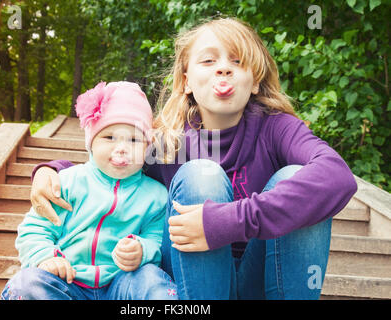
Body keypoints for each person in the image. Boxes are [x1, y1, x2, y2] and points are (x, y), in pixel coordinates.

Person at [29, 18, 357, 300]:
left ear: (255, 81)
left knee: (297, 178)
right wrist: (51, 169)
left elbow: (337, 177)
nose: (224, 68)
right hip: (192, 283)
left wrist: (229, 220)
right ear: (186, 81)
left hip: (262, 275)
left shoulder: (276, 129)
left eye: (238, 62)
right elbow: (110, 164)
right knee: (201, 173)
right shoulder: (170, 142)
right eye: (208, 61)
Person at [1, 81, 178, 300]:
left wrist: (143, 250)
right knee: (26, 284)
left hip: (122, 284)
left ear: (147, 148)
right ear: (91, 143)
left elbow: (157, 239)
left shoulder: (156, 196)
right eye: (109, 137)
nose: (121, 147)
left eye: (134, 139)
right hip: (67, 282)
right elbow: (35, 228)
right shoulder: (66, 182)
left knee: (152, 280)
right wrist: (46, 258)